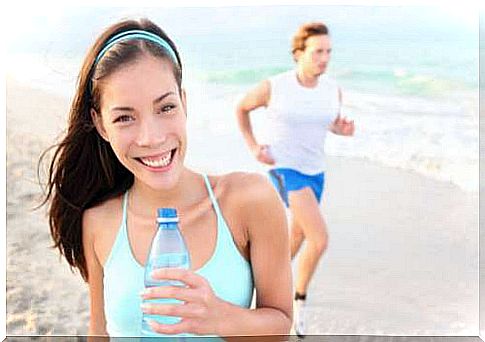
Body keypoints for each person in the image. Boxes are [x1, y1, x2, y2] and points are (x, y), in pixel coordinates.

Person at [39, 18, 292, 338]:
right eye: (124, 117)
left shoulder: (249, 199)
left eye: (166, 107)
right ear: (101, 124)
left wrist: (221, 318)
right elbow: (99, 333)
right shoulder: (99, 220)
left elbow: (280, 327)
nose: (151, 137)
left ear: (184, 102)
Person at [235, 22, 355, 337]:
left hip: (316, 171)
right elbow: (242, 108)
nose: (324, 58)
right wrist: (253, 146)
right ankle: (297, 299)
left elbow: (327, 123)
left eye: (328, 52)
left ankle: (257, 282)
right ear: (298, 53)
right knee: (320, 238)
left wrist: (340, 129)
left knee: (297, 238)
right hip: (284, 168)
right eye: (318, 52)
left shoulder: (333, 90)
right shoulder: (275, 87)